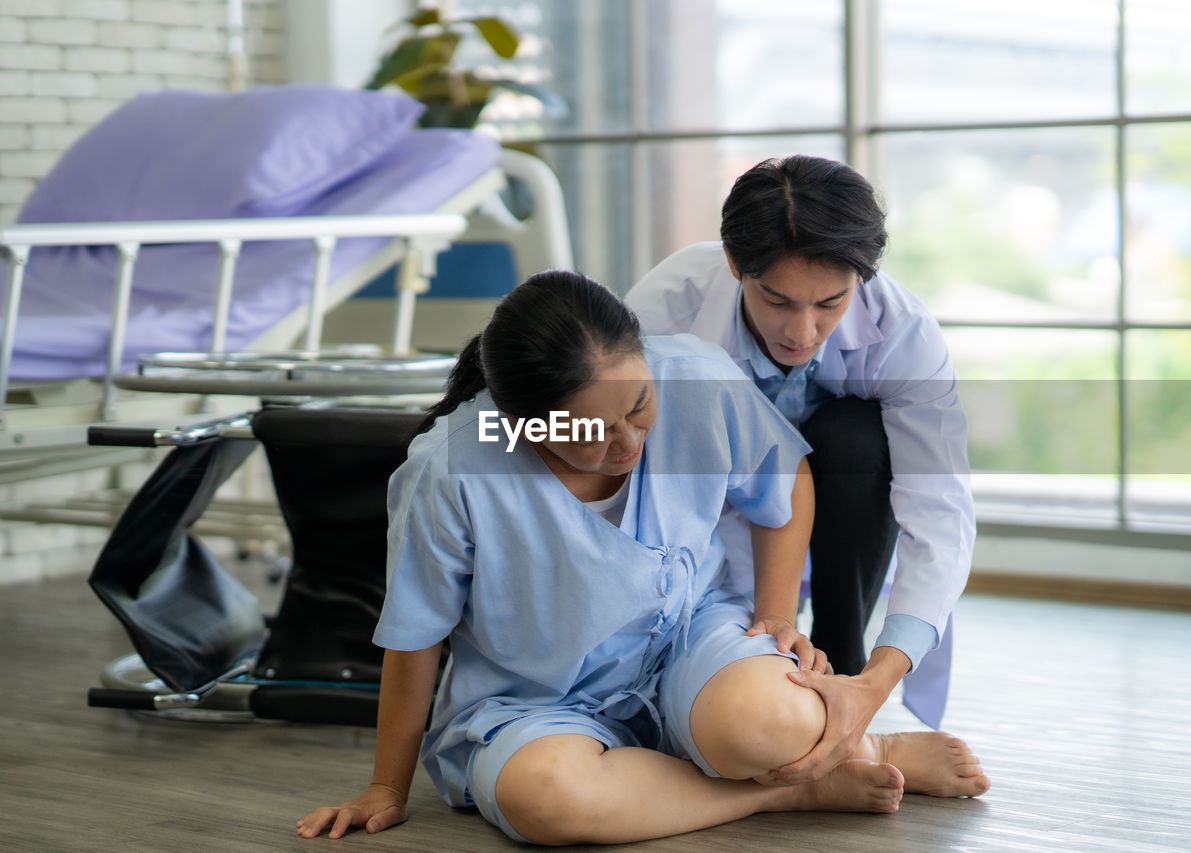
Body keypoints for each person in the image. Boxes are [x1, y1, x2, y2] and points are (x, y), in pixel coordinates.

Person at [297, 271, 987, 844]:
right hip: (532, 702)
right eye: (591, 432)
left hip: (689, 642)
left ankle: (860, 749)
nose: (627, 443)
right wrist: (386, 784)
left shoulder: (693, 375)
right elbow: (417, 638)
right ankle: (782, 792)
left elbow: (787, 477)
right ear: (521, 423)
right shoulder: (450, 471)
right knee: (549, 799)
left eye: (639, 405)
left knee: (776, 719)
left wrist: (776, 616)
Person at [625, 154, 975, 784]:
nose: (802, 331)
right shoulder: (663, 315)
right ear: (736, 265)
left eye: (831, 303)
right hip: (708, 519)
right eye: (777, 301)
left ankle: (846, 688)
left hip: (843, 504)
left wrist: (878, 679)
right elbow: (621, 464)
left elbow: (940, 511)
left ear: (862, 278)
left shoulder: (903, 331)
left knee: (855, 437)